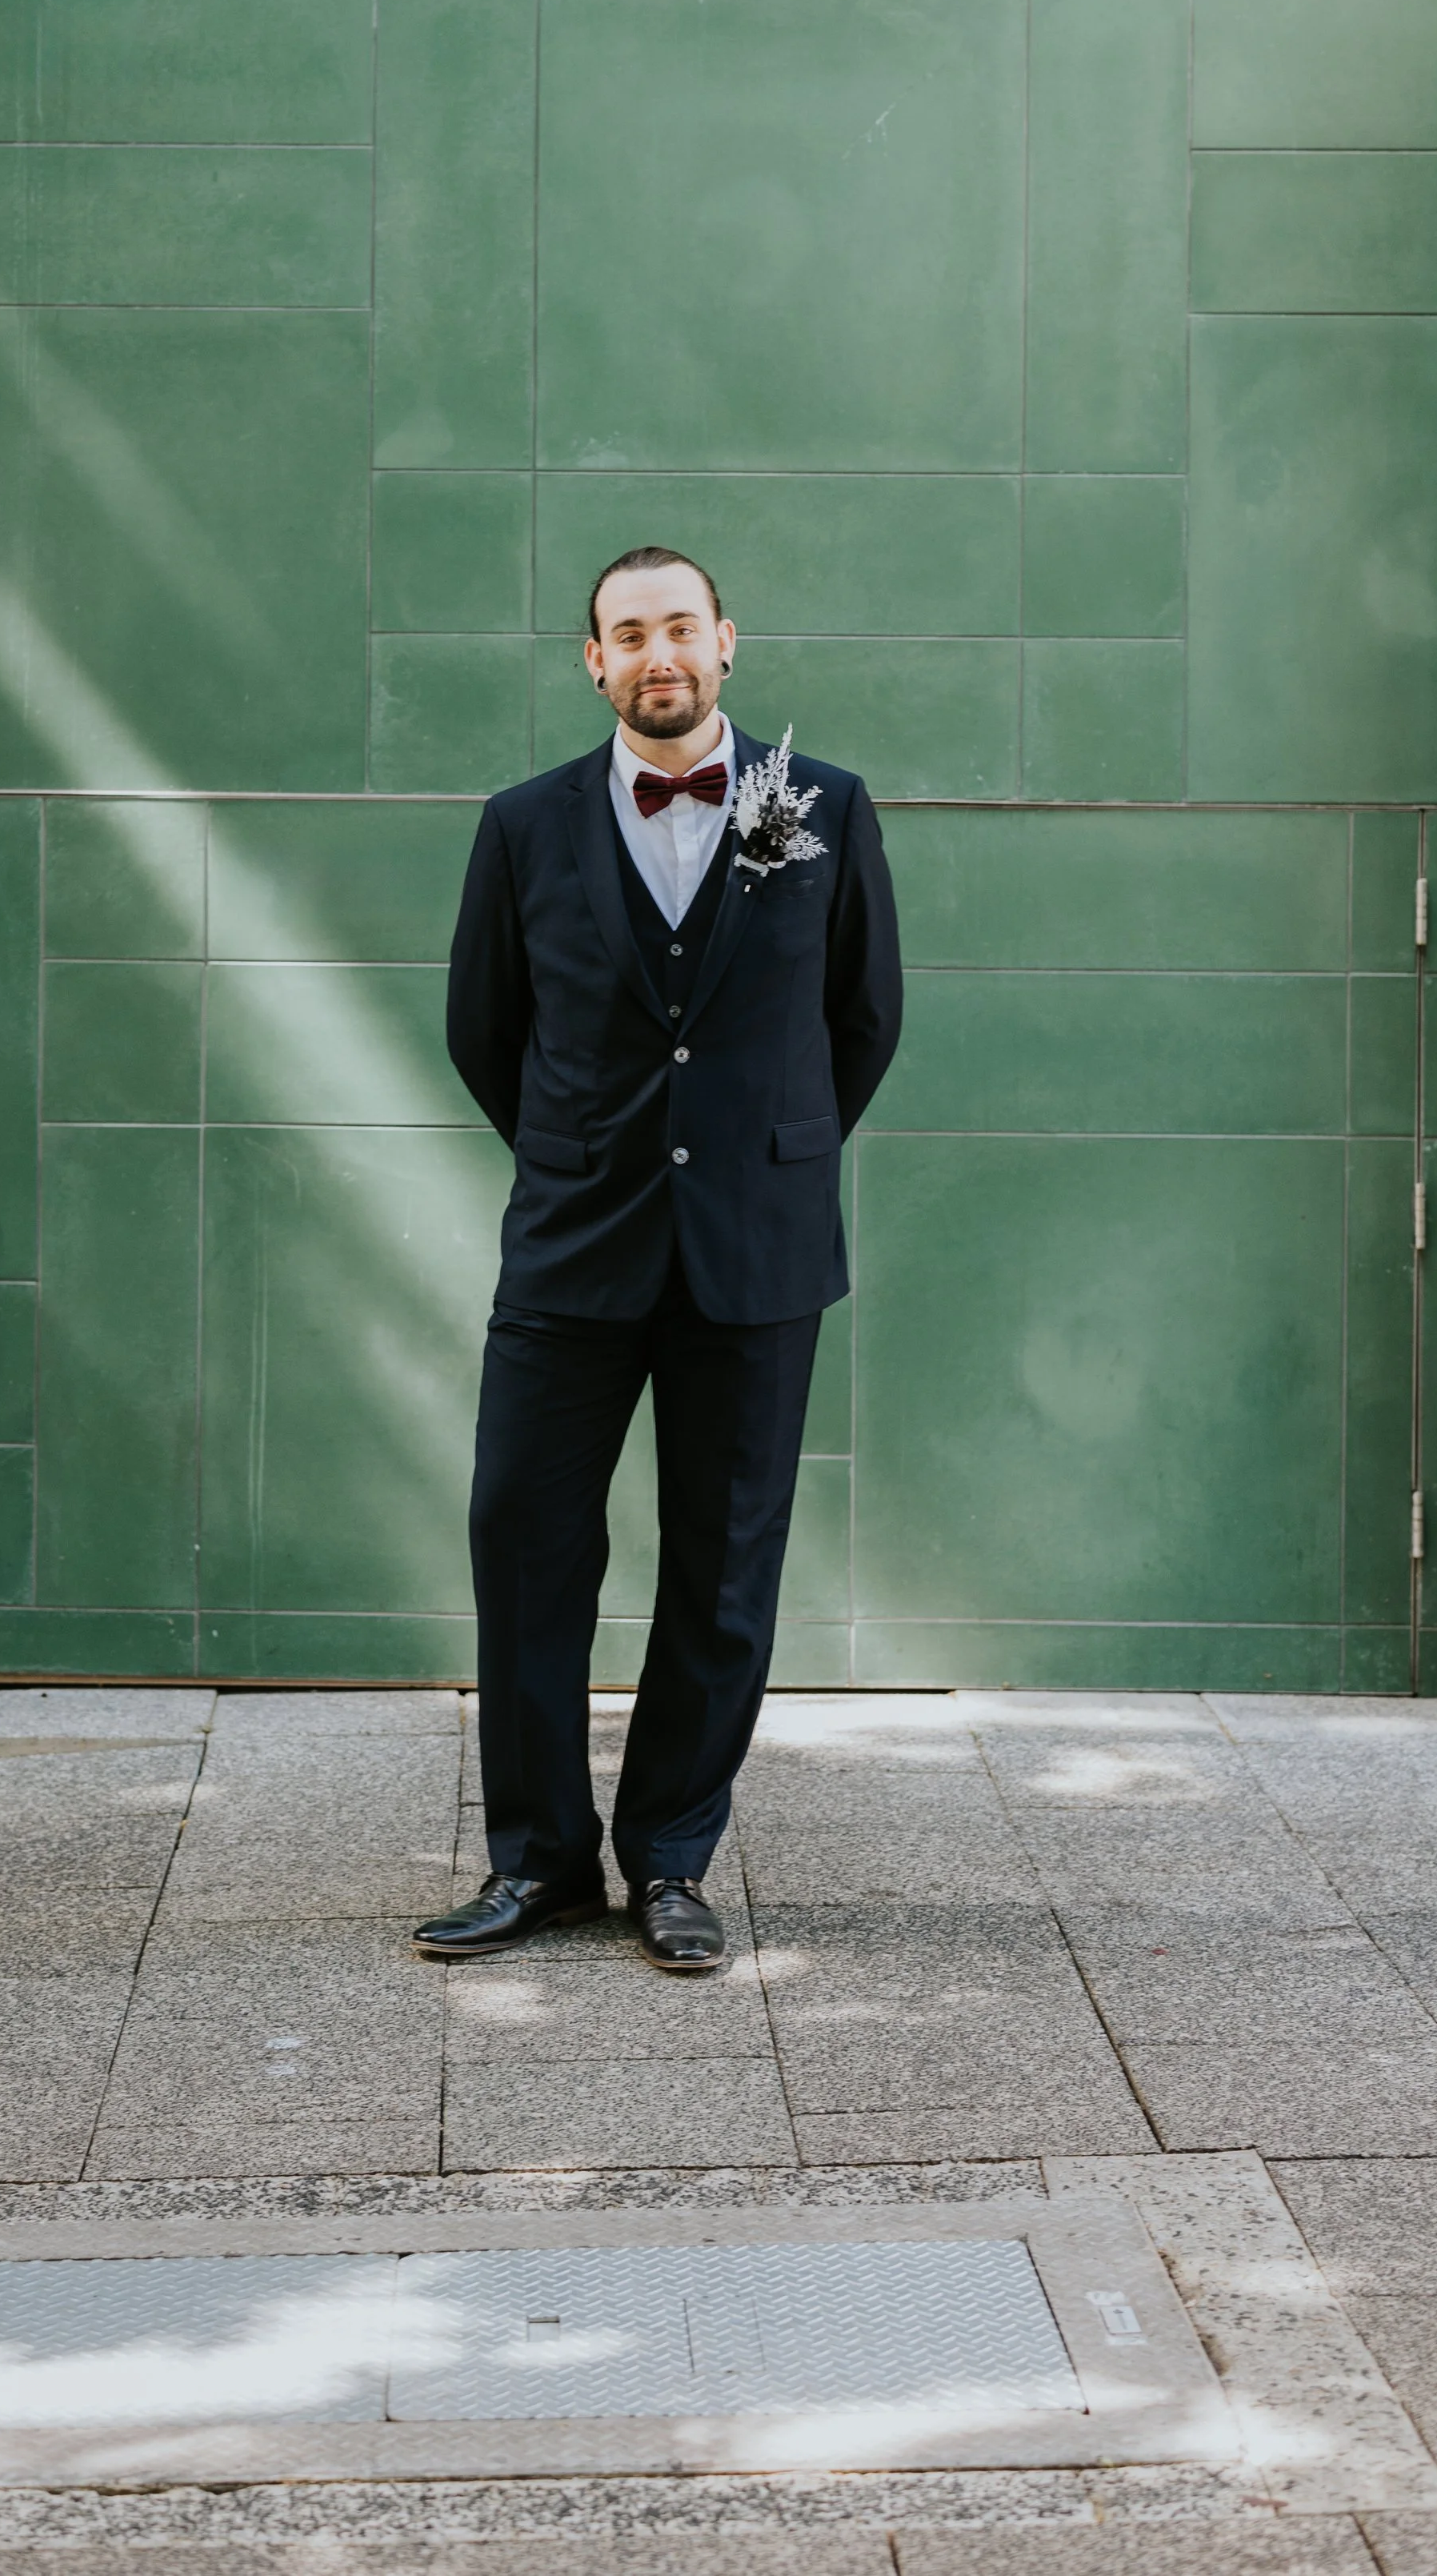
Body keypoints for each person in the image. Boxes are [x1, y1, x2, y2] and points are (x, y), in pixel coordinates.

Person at [413, 546, 903, 1974]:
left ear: (727, 642)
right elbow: (481, 1029)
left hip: (757, 1253)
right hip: (573, 1246)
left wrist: (767, 1157)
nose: (658, 654)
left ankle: (673, 1859)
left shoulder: (827, 811)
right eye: (628, 634)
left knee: (726, 1563)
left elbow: (861, 1021)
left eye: (679, 626)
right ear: (595, 663)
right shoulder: (521, 826)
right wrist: (578, 1154)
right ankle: (539, 1861)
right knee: (525, 1539)